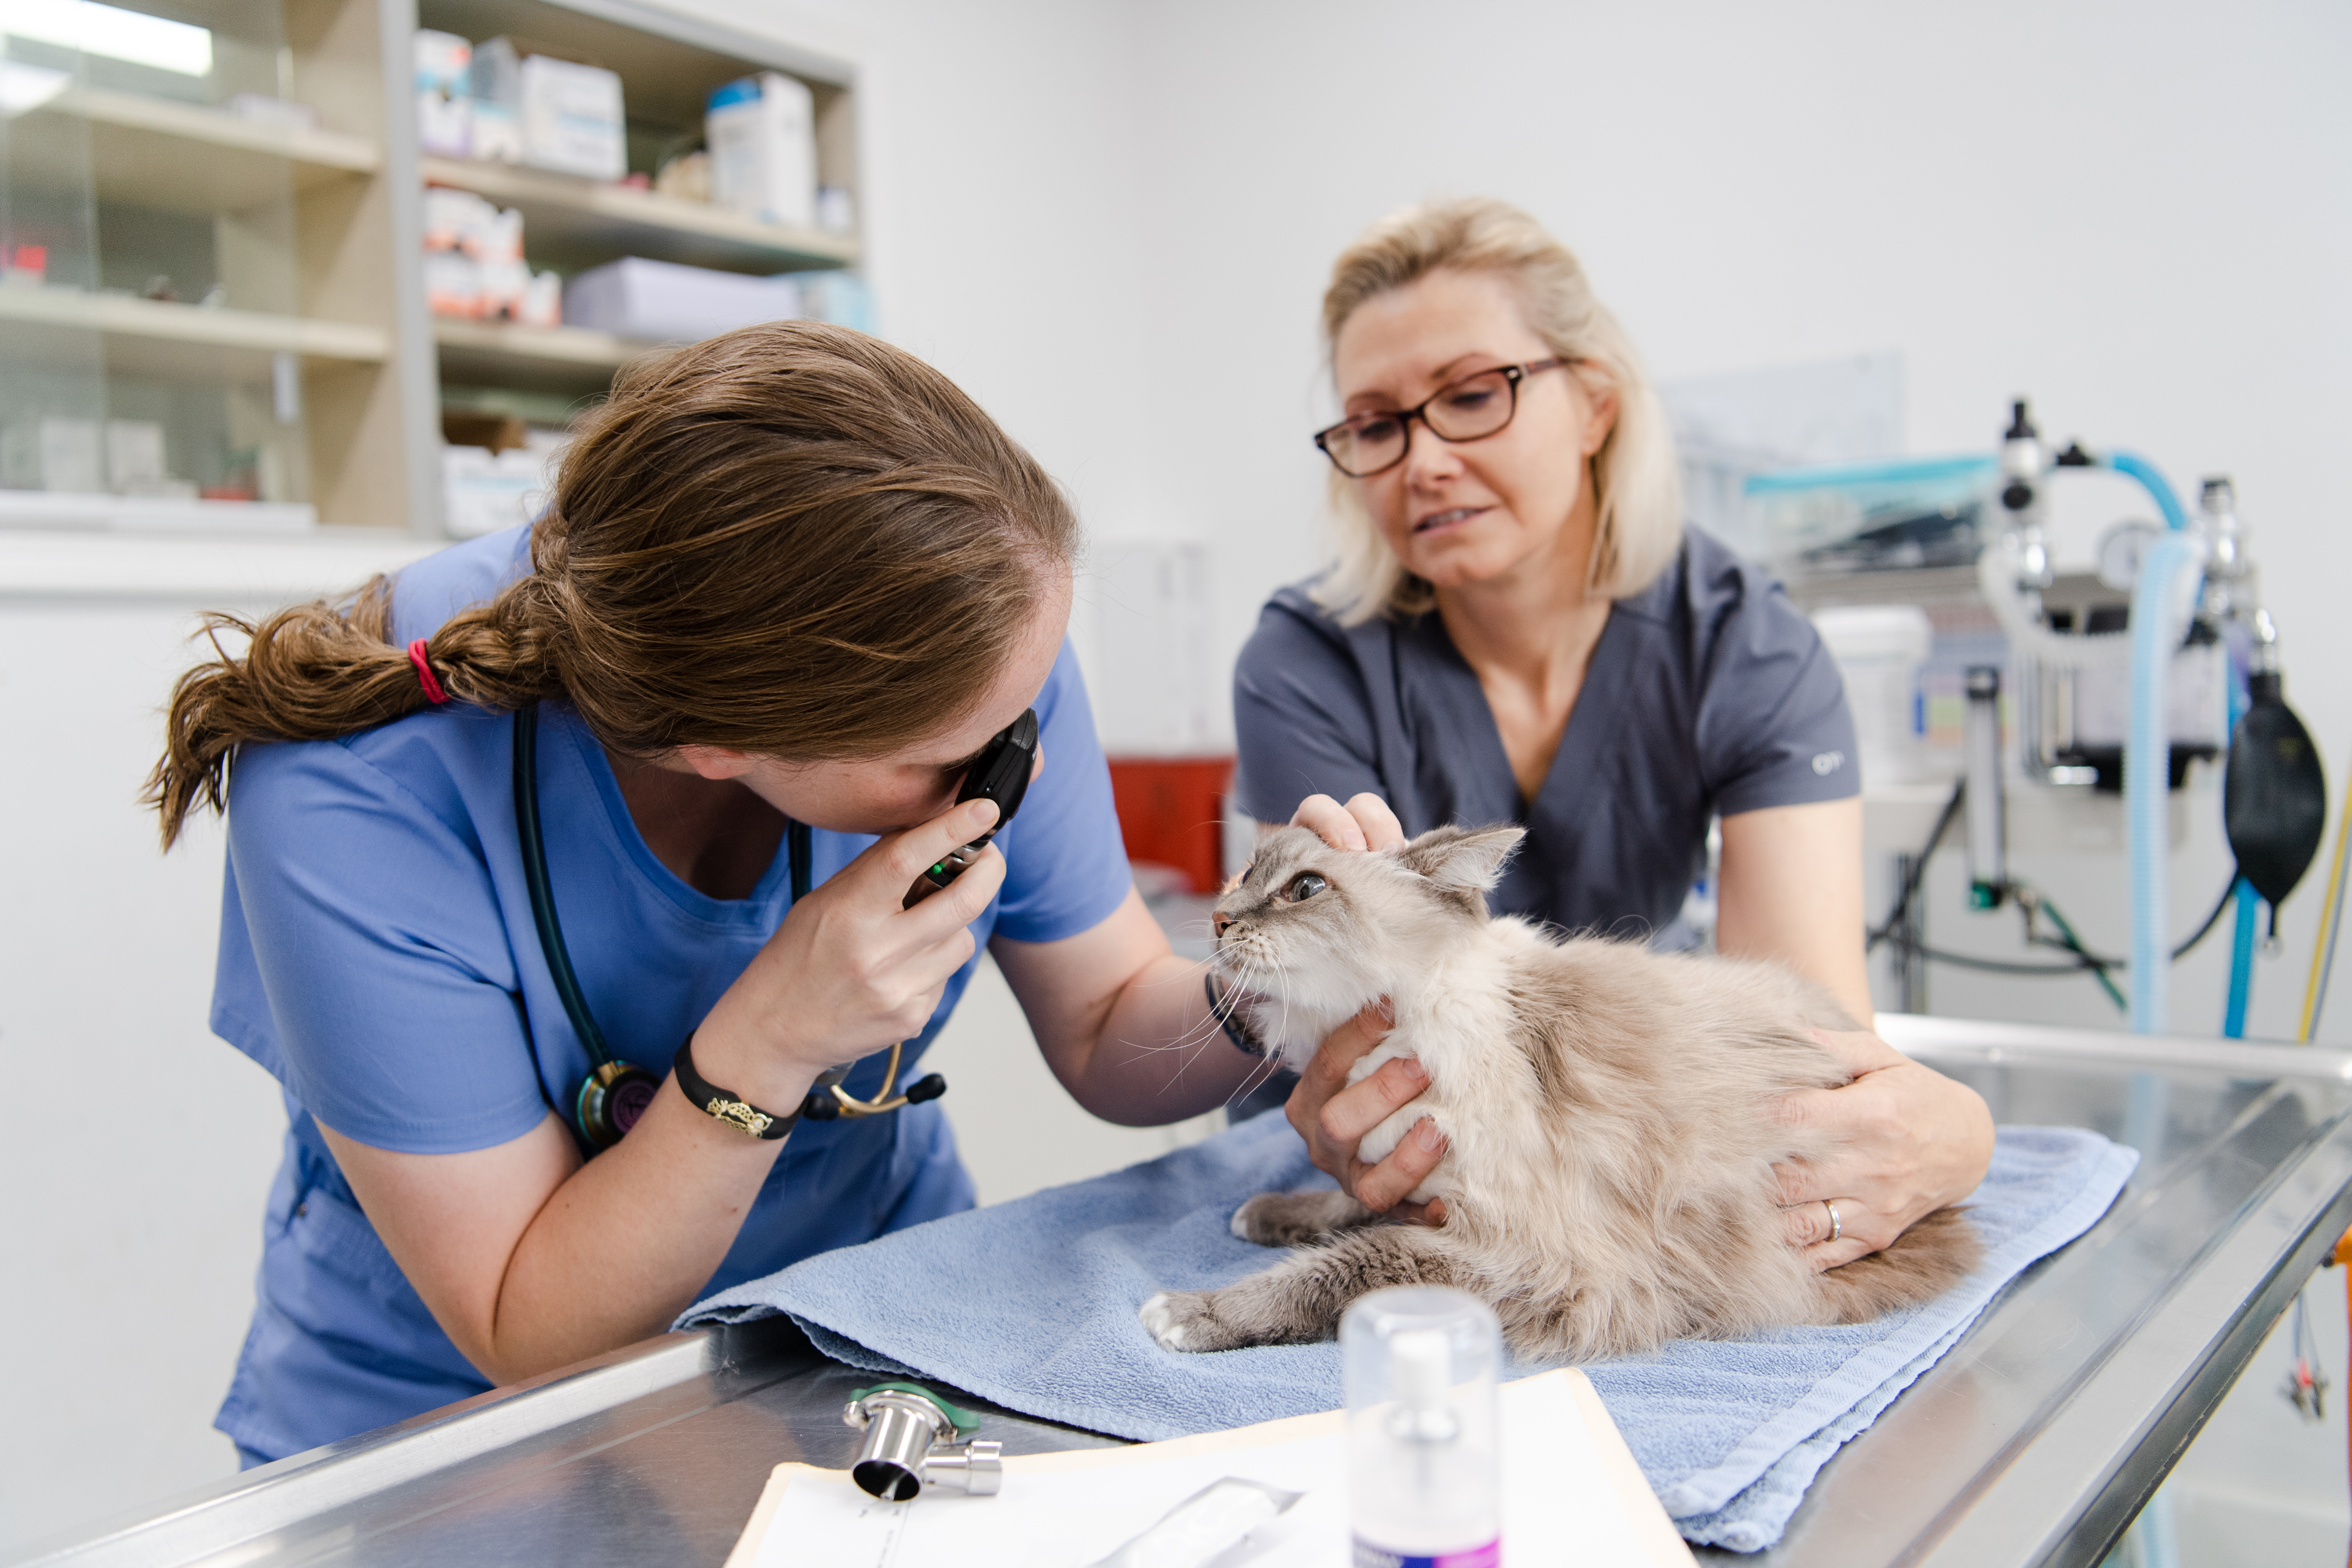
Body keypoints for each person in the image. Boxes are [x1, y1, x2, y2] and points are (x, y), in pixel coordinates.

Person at [151, 323, 1272, 1464]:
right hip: (468, 1425)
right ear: (714, 744)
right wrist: (774, 1037)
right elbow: (525, 1325)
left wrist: (1283, 978)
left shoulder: (984, 649)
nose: (1003, 769)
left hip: (857, 1329)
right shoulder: (357, 789)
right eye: (955, 755)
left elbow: (1106, 1015)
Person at [1230, 198, 1994, 1267]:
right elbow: (1340, 1015)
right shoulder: (1307, 659)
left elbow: (1811, 1047)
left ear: (1595, 405)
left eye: (1471, 396)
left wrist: (1956, 1132)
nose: (1424, 461)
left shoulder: (1743, 644)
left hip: (1596, 1122)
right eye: (1376, 423)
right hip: (1385, 1159)